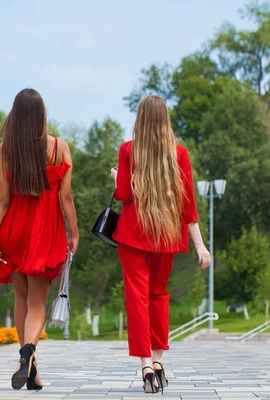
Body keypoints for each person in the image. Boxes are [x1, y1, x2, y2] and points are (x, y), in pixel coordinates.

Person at [111, 95, 211, 393]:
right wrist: (200, 245)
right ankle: (157, 361)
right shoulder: (179, 154)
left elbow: (124, 195)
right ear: (165, 119)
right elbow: (188, 203)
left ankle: (144, 366)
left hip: (132, 234)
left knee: (137, 298)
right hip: (165, 234)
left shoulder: (128, 151)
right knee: (159, 295)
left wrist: (118, 178)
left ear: (139, 119)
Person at [0, 88, 79, 391]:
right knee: (37, 302)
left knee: (21, 299)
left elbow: (2, 199)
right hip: (46, 232)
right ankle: (29, 352)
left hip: (13, 232)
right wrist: (73, 233)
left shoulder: (4, 151)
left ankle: (29, 368)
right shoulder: (58, 148)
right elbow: (66, 197)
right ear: (41, 115)